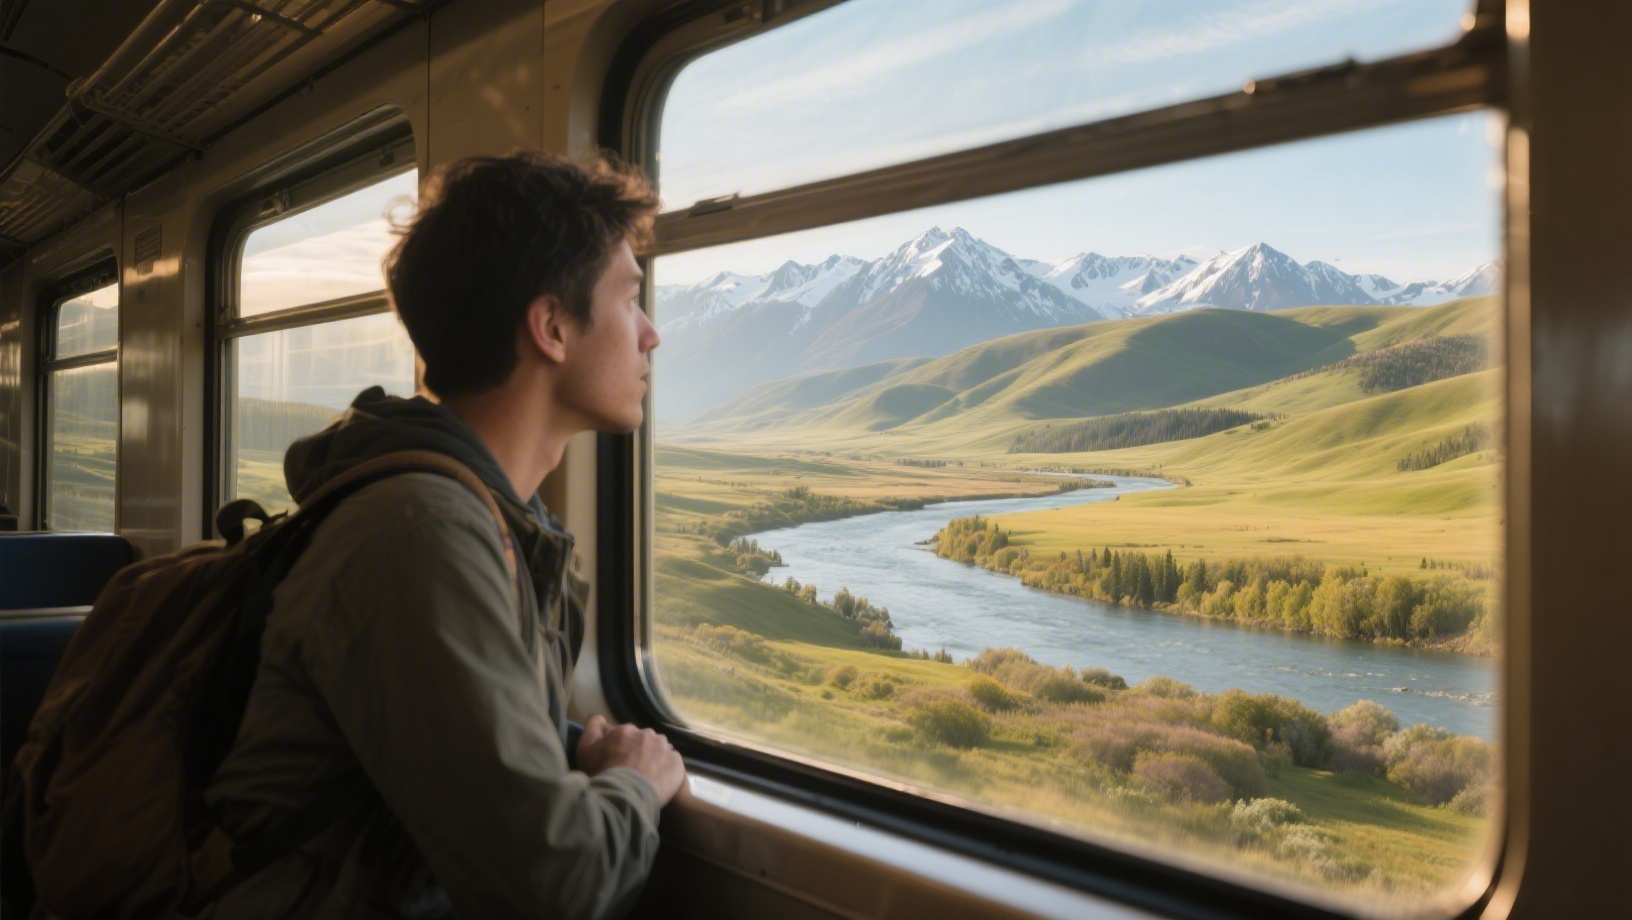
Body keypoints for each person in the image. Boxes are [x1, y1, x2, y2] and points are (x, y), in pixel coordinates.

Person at [201, 151, 684, 918]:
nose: (651, 334)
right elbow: (549, 885)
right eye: (630, 299)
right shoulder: (419, 535)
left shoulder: (499, 522)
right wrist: (635, 780)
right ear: (552, 327)